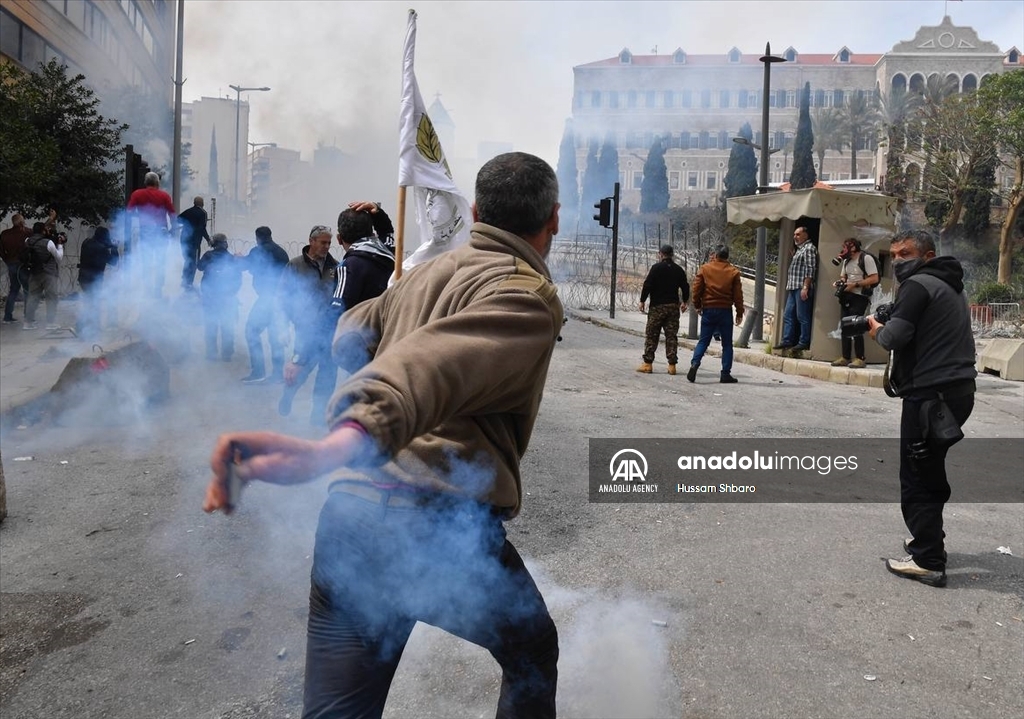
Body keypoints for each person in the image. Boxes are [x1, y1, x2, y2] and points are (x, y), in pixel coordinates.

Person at [203, 152, 563, 718]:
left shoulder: (425, 272)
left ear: (474, 211)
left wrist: (397, 314)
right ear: (555, 220)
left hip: (352, 519)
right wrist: (348, 436)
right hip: (434, 524)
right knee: (534, 653)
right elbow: (433, 365)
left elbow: (351, 335)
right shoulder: (527, 295)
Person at [867, 228, 976, 588]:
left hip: (930, 397)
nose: (898, 261)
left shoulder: (918, 285)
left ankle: (927, 560)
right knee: (929, 470)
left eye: (906, 253)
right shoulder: (951, 284)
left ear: (927, 255)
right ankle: (927, 543)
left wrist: (876, 328)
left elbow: (894, 337)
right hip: (957, 393)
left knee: (917, 476)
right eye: (894, 254)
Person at [277, 225, 340, 424]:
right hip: (305, 329)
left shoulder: (336, 267)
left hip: (329, 329)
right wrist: (283, 326)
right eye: (323, 242)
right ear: (311, 241)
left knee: (328, 375)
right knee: (300, 369)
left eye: (329, 243)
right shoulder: (295, 265)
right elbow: (283, 297)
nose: (326, 246)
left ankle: (318, 415)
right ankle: (288, 395)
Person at [327, 201, 396, 324]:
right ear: (372, 234)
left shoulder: (348, 266)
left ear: (339, 239)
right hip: (391, 331)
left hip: (362, 338)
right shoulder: (387, 251)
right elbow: (387, 231)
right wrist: (378, 213)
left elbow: (337, 312)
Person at [686, 245, 744, 384]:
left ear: (716, 255)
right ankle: (725, 373)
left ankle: (695, 364)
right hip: (725, 311)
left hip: (709, 309)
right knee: (727, 344)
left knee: (703, 341)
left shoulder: (705, 269)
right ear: (727, 256)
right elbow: (738, 295)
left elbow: (696, 289)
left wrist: (698, 305)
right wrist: (739, 312)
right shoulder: (733, 272)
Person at [239, 226, 290, 384]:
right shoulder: (282, 252)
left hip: (267, 298)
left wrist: (237, 258)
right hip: (281, 299)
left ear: (258, 238)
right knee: (275, 336)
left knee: (251, 331)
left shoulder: (258, 251)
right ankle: (277, 374)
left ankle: (258, 371)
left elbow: (244, 266)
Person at [636, 244, 689, 375]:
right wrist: (685, 301)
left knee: (652, 335)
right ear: (672, 254)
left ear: (660, 254)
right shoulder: (678, 270)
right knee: (671, 336)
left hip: (657, 307)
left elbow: (647, 285)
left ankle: (648, 364)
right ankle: (672, 366)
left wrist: (642, 300)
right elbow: (685, 287)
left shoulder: (656, 268)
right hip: (672, 307)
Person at [831, 238, 879, 369]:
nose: (843, 249)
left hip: (860, 296)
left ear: (853, 247)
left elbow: (874, 278)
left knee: (856, 326)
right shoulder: (846, 260)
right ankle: (845, 357)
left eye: (846, 247)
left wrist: (856, 284)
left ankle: (860, 358)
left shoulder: (866, 258)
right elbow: (843, 276)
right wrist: (841, 283)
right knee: (845, 326)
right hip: (847, 295)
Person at [127, 171, 175, 299]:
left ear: (145, 182)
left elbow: (129, 212)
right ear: (157, 182)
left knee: (146, 261)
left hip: (145, 232)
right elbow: (172, 213)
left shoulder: (137, 194)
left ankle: (147, 288)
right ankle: (158, 289)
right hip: (161, 231)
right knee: (161, 261)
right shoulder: (164, 196)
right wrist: (173, 229)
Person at [197, 234, 242, 361]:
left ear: (213, 243)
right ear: (225, 243)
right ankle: (227, 355)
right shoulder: (232, 258)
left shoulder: (208, 256)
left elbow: (199, 267)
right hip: (227, 298)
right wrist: (232, 293)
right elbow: (238, 279)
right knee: (227, 326)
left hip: (210, 297)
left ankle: (211, 354)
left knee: (211, 326)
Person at [774, 225, 818, 352]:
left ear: (806, 235)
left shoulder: (809, 248)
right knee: (788, 315)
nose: (795, 237)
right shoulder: (800, 249)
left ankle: (803, 341)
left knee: (802, 316)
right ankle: (787, 340)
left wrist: (805, 287)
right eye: (794, 234)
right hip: (793, 286)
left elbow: (810, 269)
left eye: (798, 234)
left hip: (801, 287)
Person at [76, 226, 120, 338]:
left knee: (89, 303)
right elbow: (114, 262)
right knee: (93, 304)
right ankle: (89, 329)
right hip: (93, 280)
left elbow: (97, 248)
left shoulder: (86, 242)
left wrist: (109, 244)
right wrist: (114, 247)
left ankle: (87, 327)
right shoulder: (101, 248)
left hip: (83, 278)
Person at [23, 221, 65, 330]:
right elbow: (59, 258)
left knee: (32, 298)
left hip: (33, 272)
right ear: (43, 230)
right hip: (49, 273)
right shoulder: (48, 243)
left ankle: (28, 323)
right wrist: (60, 245)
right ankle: (50, 323)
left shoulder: (27, 241)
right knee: (51, 298)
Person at [1, 213, 32, 323]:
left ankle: (7, 316)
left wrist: (8, 261)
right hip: (22, 265)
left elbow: (1, 252)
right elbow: (39, 231)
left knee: (13, 290)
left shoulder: (4, 234)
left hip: (11, 264)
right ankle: (28, 316)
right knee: (27, 290)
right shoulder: (26, 232)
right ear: (21, 222)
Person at [178, 196, 212, 291]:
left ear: (194, 203)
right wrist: (208, 239)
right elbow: (202, 228)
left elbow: (178, 219)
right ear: (202, 204)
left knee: (187, 260)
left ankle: (184, 280)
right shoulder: (203, 213)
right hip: (195, 242)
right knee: (194, 262)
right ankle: (188, 283)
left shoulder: (188, 211)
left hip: (184, 240)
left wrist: (188, 224)